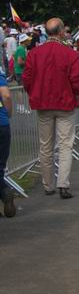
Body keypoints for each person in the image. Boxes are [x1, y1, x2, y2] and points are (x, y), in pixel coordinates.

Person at [22, 18, 79, 199]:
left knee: (46, 146)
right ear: (61, 32)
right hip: (65, 103)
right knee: (65, 145)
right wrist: (77, 94)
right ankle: (63, 184)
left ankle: (48, 184)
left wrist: (33, 92)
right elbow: (76, 81)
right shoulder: (70, 54)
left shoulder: (34, 53)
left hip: (43, 103)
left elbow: (27, 78)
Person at [0, 64, 15, 217]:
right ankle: (4, 192)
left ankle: (4, 192)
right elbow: (6, 95)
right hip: (2, 124)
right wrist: (8, 113)